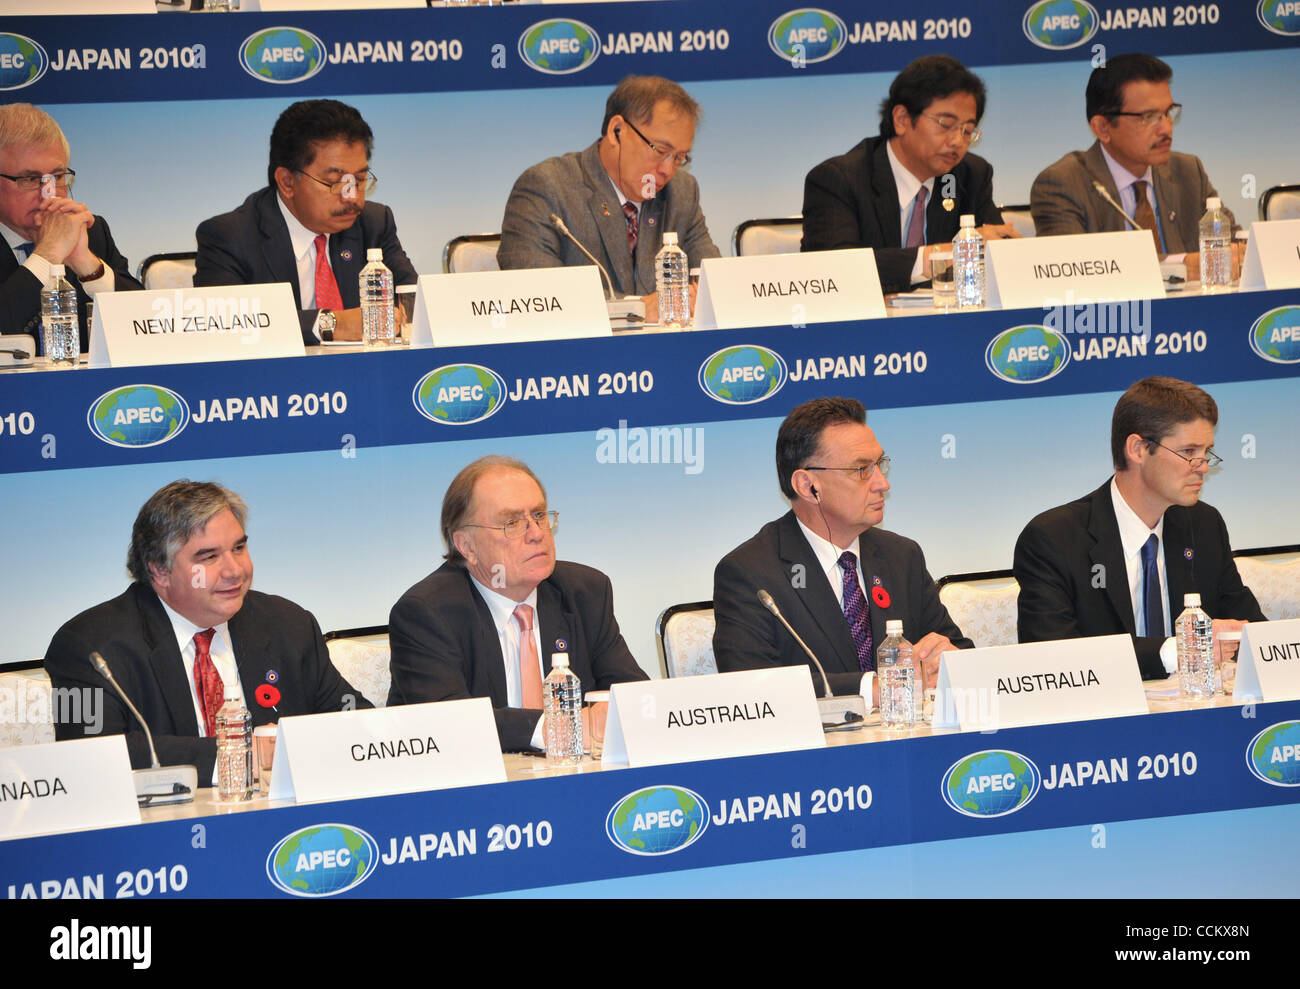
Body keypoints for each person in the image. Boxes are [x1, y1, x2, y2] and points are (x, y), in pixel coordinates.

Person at [44, 480, 371, 784]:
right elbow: (87, 757)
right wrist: (233, 757)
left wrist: (300, 745)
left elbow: (355, 721)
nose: (235, 570)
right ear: (159, 570)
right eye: (210, 556)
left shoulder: (288, 624)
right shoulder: (86, 647)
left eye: (239, 548)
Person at [713, 397, 972, 703]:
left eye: (880, 465)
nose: (882, 484)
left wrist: (948, 661)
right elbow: (752, 687)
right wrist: (873, 689)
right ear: (807, 485)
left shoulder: (902, 557)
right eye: (862, 469)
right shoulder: (751, 573)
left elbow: (958, 652)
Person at [388, 456, 648, 752]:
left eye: (538, 515)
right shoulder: (426, 613)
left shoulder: (585, 592)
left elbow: (634, 695)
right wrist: (557, 729)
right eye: (512, 523)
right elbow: (447, 720)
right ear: (467, 546)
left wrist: (620, 713)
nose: (536, 533)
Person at [1015, 377, 1265, 681]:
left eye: (1206, 451)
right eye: (1188, 451)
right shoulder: (1053, 539)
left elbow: (1252, 631)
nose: (1202, 466)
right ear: (1137, 449)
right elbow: (1050, 658)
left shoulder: (1204, 525)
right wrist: (1174, 652)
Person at [497, 75, 719, 323]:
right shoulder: (547, 188)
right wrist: (639, 309)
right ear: (617, 132)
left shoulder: (682, 193)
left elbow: (714, 285)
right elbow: (536, 296)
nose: (668, 170)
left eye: (679, 157)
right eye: (661, 151)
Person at [194, 99, 417, 345]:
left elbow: (414, 302)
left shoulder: (374, 223)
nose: (353, 196)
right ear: (287, 182)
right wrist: (330, 323)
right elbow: (225, 326)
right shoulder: (230, 237)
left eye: (360, 179)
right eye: (336, 182)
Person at [800, 55, 1018, 295]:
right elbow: (834, 269)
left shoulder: (969, 176)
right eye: (946, 125)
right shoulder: (839, 180)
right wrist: (945, 256)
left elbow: (1001, 255)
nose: (958, 141)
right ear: (902, 120)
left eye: (967, 130)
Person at [1030, 53, 1232, 280]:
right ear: (1103, 128)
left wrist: (1237, 253)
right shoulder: (1062, 185)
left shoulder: (1188, 172)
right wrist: (1182, 267)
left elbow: (1231, 245)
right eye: (1148, 117)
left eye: (1167, 113)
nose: (1166, 129)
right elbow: (1072, 272)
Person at [0, 103, 141, 352]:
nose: (49, 192)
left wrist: (88, 266)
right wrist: (48, 256)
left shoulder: (90, 232)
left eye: (57, 176)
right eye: (31, 179)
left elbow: (143, 324)